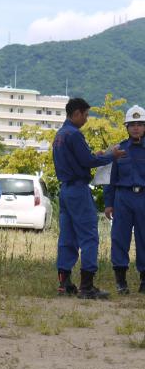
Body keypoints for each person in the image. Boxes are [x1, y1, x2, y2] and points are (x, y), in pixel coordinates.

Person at [53, 97, 123, 299]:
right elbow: (88, 161)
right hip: (78, 190)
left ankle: (63, 283)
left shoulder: (60, 135)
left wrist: (94, 154)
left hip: (65, 190)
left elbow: (80, 159)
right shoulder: (74, 135)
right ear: (77, 114)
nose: (86, 119)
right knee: (89, 236)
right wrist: (111, 155)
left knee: (67, 237)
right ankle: (87, 286)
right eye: (85, 114)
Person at [104, 105, 145, 294]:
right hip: (123, 197)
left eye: (140, 124)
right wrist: (108, 203)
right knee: (120, 238)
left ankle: (144, 280)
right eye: (132, 124)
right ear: (126, 127)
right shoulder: (119, 150)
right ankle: (121, 281)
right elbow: (110, 180)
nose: (136, 128)